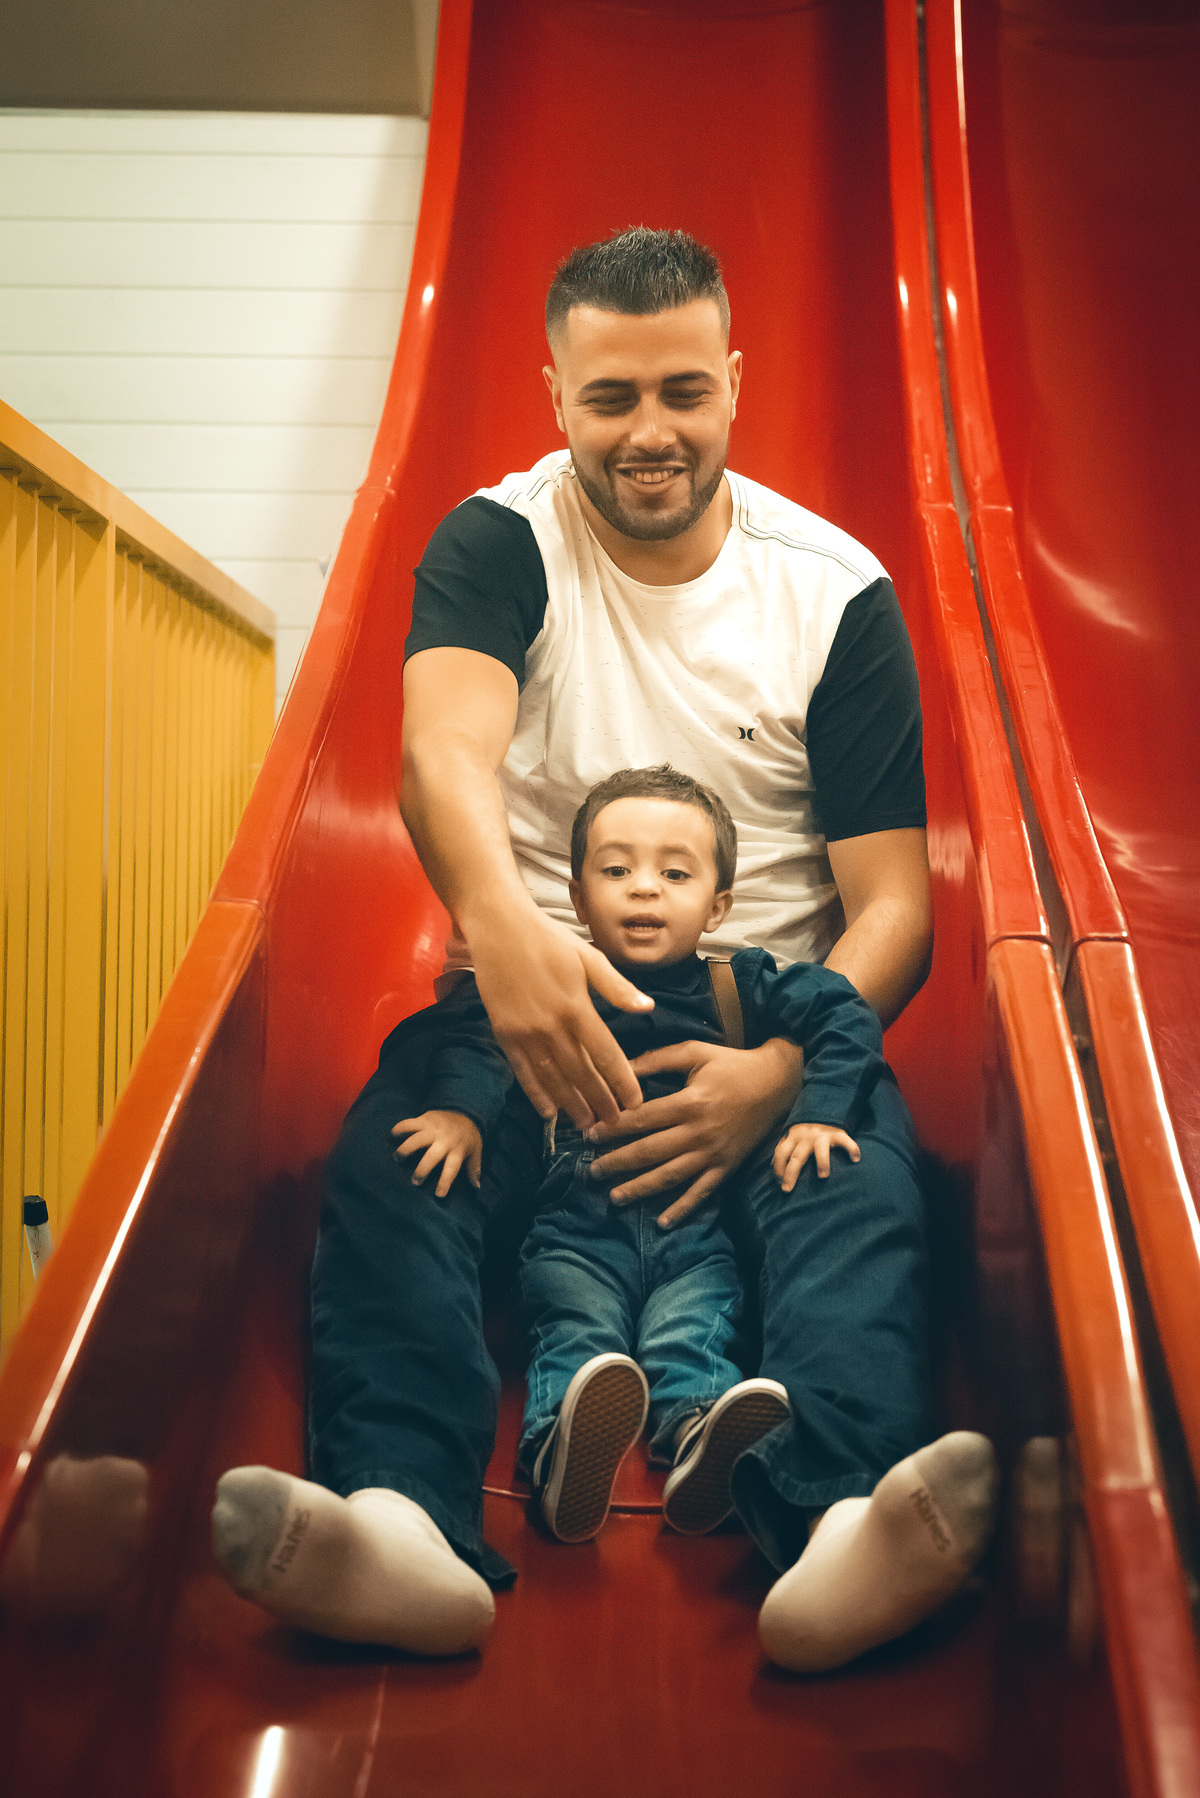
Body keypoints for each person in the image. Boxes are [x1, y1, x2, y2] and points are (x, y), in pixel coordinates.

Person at [211, 227, 997, 1672]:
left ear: (735, 382)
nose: (650, 432)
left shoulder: (831, 591)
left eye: (684, 391)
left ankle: (838, 1522)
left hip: (748, 1019)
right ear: (555, 393)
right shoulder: (500, 542)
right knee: (398, 1156)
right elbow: (442, 753)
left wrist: (779, 1070)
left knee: (855, 1180)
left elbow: (894, 905)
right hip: (537, 1014)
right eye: (611, 396)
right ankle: (402, 1519)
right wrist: (507, 934)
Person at [392, 765, 885, 1548]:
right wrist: (460, 1115)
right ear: (578, 898)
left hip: (697, 1235)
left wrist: (820, 1112)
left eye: (676, 874)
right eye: (616, 870)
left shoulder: (740, 985)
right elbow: (482, 1036)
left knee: (697, 1333)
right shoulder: (558, 983)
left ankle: (700, 1445)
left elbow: (843, 1013)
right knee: (575, 1329)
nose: (645, 888)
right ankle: (562, 1447)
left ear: (719, 905)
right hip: (574, 1230)